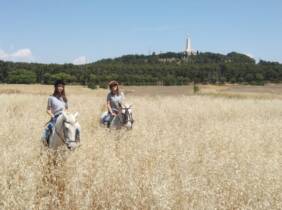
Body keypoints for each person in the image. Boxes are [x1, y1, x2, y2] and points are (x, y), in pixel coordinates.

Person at [42, 80, 75, 144]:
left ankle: (75, 141)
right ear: (56, 87)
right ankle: (44, 144)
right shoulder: (51, 98)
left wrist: (66, 115)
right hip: (55, 117)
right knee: (47, 130)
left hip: (64, 117)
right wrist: (52, 115)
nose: (60, 88)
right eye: (59, 86)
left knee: (74, 127)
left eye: (62, 87)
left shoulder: (65, 98)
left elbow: (66, 109)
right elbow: (48, 110)